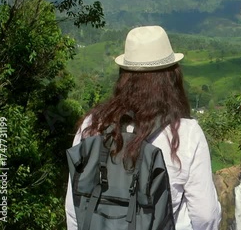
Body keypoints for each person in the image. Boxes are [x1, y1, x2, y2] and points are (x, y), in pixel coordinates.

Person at [65, 25, 221, 230]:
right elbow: (205, 216)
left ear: (123, 76)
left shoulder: (92, 126)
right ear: (172, 76)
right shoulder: (186, 134)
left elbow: (74, 206)